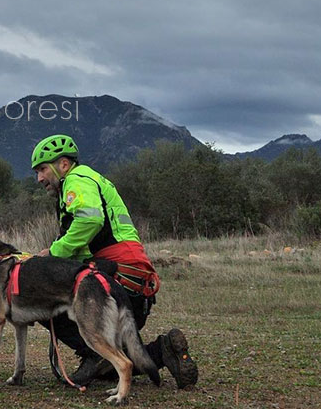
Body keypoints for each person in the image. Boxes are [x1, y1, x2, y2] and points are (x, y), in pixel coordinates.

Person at [31, 134, 199, 389]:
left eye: (43, 169)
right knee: (110, 367)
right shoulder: (93, 180)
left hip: (117, 281)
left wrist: (53, 253)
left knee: (41, 295)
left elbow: (90, 220)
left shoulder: (77, 179)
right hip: (134, 284)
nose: (39, 178)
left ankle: (95, 353)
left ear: (63, 164)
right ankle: (164, 351)